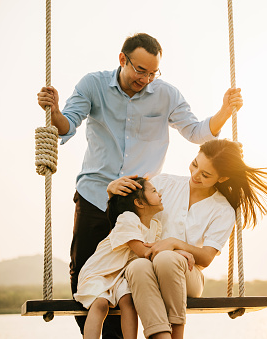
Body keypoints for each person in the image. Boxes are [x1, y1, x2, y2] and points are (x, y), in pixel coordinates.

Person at [36, 33, 243, 338]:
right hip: (96, 194)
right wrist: (53, 113)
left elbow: (198, 132)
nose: (145, 79)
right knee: (85, 271)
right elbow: (67, 125)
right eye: (140, 70)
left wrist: (225, 111)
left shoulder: (167, 95)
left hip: (140, 204)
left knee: (131, 273)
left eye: (152, 73)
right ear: (123, 60)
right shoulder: (92, 85)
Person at [108, 139, 267, 339]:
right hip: (146, 267)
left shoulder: (223, 210)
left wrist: (175, 243)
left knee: (166, 259)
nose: (195, 175)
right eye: (195, 164)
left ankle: (177, 335)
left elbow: (206, 258)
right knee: (136, 267)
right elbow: (126, 219)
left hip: (187, 274)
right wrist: (112, 192)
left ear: (222, 177)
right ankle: (160, 337)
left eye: (206, 174)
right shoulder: (163, 184)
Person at [74, 177, 195, 339]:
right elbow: (143, 252)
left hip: (120, 275)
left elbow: (156, 249)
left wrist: (172, 251)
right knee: (101, 304)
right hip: (101, 272)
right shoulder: (127, 219)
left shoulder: (154, 226)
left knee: (128, 301)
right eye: (153, 191)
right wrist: (178, 252)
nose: (159, 194)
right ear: (139, 203)